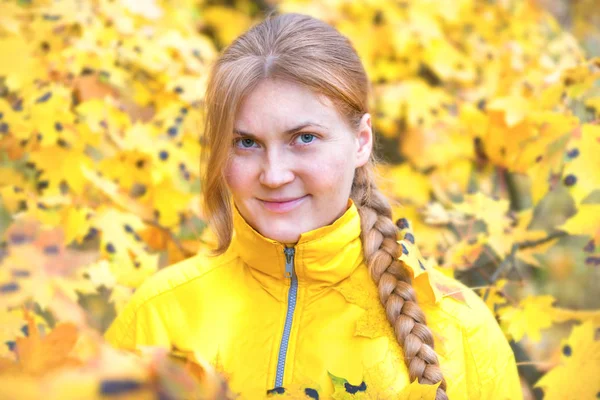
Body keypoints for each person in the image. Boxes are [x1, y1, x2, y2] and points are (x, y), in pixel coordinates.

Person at [104, 12, 522, 400]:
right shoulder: (156, 318)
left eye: (303, 138)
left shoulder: (461, 331)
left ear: (361, 141)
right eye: (246, 143)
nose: (274, 174)